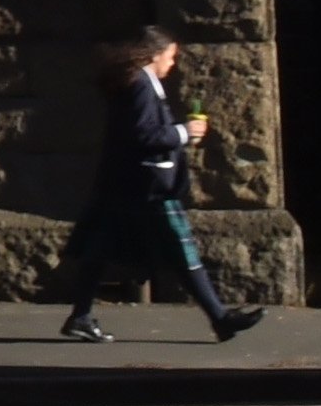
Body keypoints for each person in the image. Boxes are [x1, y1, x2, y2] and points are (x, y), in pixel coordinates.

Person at [59, 25, 262, 344]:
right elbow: (142, 135)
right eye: (170, 56)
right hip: (145, 186)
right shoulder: (141, 84)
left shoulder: (137, 81)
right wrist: (184, 133)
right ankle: (220, 319)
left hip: (125, 183)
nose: (172, 64)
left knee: (98, 251)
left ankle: (80, 316)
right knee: (182, 252)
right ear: (155, 54)